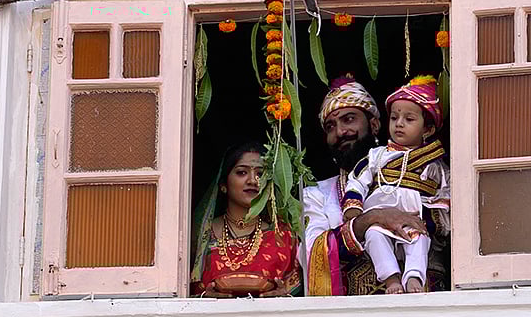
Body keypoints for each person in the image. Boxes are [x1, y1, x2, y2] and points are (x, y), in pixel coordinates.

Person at [303, 74, 448, 296]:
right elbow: (311, 254)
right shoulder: (317, 195)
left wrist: (414, 217)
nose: (340, 132)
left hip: (429, 304)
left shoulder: (428, 169)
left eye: (349, 119)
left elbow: (452, 219)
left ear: (374, 124)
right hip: (356, 316)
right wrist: (372, 219)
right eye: (330, 126)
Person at [191, 142, 301, 297]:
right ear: (223, 185)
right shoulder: (199, 235)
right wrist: (202, 298)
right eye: (242, 173)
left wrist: (285, 298)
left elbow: (300, 300)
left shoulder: (283, 235)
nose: (253, 181)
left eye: (260, 174)